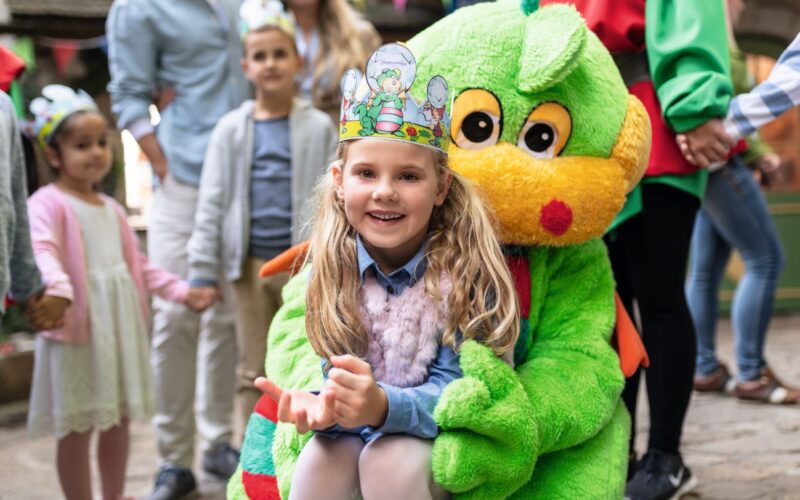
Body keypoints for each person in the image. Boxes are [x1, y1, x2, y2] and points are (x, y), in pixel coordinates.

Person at [255, 44, 519, 499]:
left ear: (441, 187)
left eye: (408, 177)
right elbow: (334, 371)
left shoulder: (464, 270)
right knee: (319, 459)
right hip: (363, 428)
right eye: (366, 173)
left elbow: (465, 391)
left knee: (389, 461)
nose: (385, 192)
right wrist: (323, 404)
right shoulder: (334, 269)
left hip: (439, 433)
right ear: (339, 183)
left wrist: (382, 407)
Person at [537, 1, 735, 498]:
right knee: (605, 304)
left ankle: (665, 457)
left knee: (659, 294)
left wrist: (694, 103)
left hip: (654, 121)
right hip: (581, 130)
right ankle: (612, 451)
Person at [23, 85, 215, 500]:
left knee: (118, 420)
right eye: (81, 145)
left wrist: (182, 291)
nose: (95, 153)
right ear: (54, 155)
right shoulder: (47, 203)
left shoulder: (111, 208)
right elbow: (42, 250)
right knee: (77, 426)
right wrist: (57, 288)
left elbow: (140, 268)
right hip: (77, 330)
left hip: (118, 332)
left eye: (100, 143)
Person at [106, 1, 250, 496]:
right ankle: (173, 459)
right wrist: (162, 164)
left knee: (227, 315)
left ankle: (217, 443)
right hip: (183, 176)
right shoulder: (138, 8)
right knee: (175, 313)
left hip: (241, 178)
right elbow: (126, 94)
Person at [188, 0, 337, 440]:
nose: (270, 64)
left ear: (298, 60)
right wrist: (200, 270)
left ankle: (295, 451)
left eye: (279, 54)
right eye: (260, 56)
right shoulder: (230, 130)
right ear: (245, 66)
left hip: (303, 266)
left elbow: (331, 192)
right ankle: (249, 457)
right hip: (248, 267)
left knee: (303, 357)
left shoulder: (318, 127)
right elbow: (212, 202)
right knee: (251, 367)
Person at [682, 8, 799, 404]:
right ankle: (750, 374)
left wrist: (757, 151)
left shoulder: (711, 32)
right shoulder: (708, 28)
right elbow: (721, 108)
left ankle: (704, 368)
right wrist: (754, 151)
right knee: (765, 259)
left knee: (704, 272)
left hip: (708, 160)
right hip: (722, 158)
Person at [285, 0, 380, 122]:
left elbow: (377, 97)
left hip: (342, 132)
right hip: (289, 131)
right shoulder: (266, 34)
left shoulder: (359, 35)